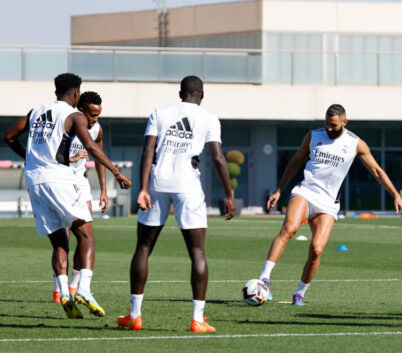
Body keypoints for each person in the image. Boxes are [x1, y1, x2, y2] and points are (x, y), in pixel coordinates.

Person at [3, 73, 131, 319]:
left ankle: (63, 292)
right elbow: (91, 147)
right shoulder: (74, 116)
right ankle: (84, 290)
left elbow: (9, 136)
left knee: (60, 240)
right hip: (58, 179)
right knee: (87, 234)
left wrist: (30, 159)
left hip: (35, 181)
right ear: (76, 94)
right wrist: (117, 172)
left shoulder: (35, 112)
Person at [117, 75, 235, 332]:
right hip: (188, 186)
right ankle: (197, 319)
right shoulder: (209, 118)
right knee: (197, 252)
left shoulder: (159, 113)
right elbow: (217, 157)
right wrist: (228, 194)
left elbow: (148, 151)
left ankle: (135, 315)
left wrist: (144, 188)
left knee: (144, 247)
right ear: (201, 95)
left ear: (180, 93)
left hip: (158, 183)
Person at [257, 104, 402, 306]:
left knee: (317, 249)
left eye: (334, 125)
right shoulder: (313, 136)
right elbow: (296, 161)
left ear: (345, 122)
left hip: (328, 203)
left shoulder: (356, 144)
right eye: (326, 124)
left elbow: (377, 171)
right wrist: (279, 190)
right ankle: (264, 279)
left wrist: (395, 195)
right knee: (290, 228)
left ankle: (300, 292)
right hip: (306, 192)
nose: (329, 128)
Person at [52, 91, 109, 303]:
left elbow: (99, 158)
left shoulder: (97, 130)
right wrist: (72, 157)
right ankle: (59, 288)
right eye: (92, 115)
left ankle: (75, 287)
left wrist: (103, 189)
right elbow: (52, 153)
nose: (95, 120)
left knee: (85, 234)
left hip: (81, 183)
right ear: (81, 109)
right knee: (63, 235)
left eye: (98, 115)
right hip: (61, 180)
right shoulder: (67, 123)